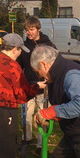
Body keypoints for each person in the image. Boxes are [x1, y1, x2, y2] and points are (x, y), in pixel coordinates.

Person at [0, 33, 47, 158]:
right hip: (2, 113)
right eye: (20, 50)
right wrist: (37, 86)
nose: (20, 54)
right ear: (15, 49)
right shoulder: (12, 65)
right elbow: (22, 94)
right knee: (5, 156)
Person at [17, 16, 55, 150]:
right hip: (28, 86)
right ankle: (26, 138)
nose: (29, 32)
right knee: (26, 114)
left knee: (42, 114)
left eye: (31, 29)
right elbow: (18, 66)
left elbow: (54, 63)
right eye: (27, 30)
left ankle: (41, 143)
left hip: (43, 87)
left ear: (38, 29)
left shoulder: (48, 45)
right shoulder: (24, 46)